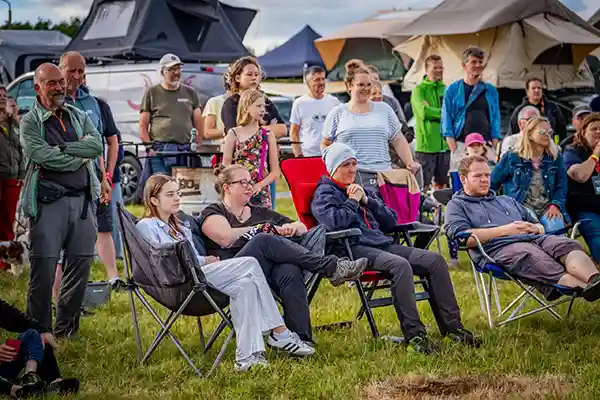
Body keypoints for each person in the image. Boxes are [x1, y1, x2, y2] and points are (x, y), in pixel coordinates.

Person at [311, 142, 480, 354]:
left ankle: (453, 329)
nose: (353, 169)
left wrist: (366, 200)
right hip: (353, 249)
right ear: (333, 168)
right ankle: (415, 336)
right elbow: (336, 223)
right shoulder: (324, 194)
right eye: (346, 165)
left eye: (354, 164)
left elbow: (391, 221)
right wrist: (353, 202)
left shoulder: (359, 189)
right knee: (400, 266)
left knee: (435, 261)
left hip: (381, 244)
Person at [136, 174, 315, 370]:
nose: (177, 198)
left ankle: (248, 358)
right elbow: (164, 261)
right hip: (180, 281)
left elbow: (190, 256)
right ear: (154, 200)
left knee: (245, 285)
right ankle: (279, 331)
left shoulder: (180, 227)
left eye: (177, 193)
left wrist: (205, 259)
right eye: (170, 195)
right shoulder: (147, 226)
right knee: (250, 263)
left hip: (199, 272)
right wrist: (202, 261)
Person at [200, 164, 368, 345]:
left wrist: (290, 229)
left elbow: (301, 226)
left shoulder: (260, 211)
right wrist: (262, 229)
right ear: (227, 187)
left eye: (250, 182)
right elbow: (225, 238)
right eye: (243, 182)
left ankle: (300, 339)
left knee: (289, 270)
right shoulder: (214, 212)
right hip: (233, 274)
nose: (250, 186)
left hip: (265, 273)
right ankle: (331, 267)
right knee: (263, 239)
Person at [20, 63, 103, 338]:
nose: (59, 87)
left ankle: (67, 330)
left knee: (80, 266)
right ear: (37, 87)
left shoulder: (77, 115)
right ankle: (38, 332)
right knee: (43, 271)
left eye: (60, 82)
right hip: (47, 204)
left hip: (82, 203)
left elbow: (96, 144)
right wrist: (77, 157)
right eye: (51, 83)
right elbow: (43, 156)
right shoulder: (29, 122)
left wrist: (65, 148)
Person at [445, 155, 600, 300]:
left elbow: (535, 222)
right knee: (533, 256)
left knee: (566, 244)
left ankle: (595, 279)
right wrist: (507, 230)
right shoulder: (457, 205)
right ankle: (587, 288)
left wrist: (537, 228)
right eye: (478, 176)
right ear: (463, 179)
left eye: (487, 175)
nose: (485, 180)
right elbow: (462, 239)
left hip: (534, 239)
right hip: (498, 249)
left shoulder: (505, 200)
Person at [57, 52, 122, 290]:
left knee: (103, 226)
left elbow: (109, 141)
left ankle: (113, 277)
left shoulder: (95, 103)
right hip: (66, 180)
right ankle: (64, 290)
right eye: (71, 71)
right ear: (60, 69)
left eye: (81, 71)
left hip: (96, 177)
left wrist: (108, 173)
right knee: (67, 235)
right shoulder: (53, 102)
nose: (77, 76)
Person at [321, 60, 420, 192]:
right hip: (353, 178)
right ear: (349, 86)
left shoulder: (384, 109)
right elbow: (325, 144)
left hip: (383, 176)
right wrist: (335, 167)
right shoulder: (338, 113)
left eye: (368, 84)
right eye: (360, 84)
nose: (366, 88)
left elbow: (398, 139)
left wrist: (409, 162)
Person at [221, 57, 286, 209]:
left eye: (257, 74)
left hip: (263, 178)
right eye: (249, 74)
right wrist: (266, 128)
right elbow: (236, 131)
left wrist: (261, 131)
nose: (254, 77)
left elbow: (282, 129)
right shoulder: (231, 104)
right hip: (238, 181)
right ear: (237, 77)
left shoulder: (265, 101)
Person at [492, 117, 568, 233]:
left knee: (556, 233)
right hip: (521, 208)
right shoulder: (512, 157)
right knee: (530, 236)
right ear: (530, 134)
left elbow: (562, 185)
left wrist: (555, 204)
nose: (547, 135)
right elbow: (492, 183)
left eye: (550, 132)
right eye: (542, 132)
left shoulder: (556, 157)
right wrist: (498, 208)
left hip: (548, 207)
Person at [0, 298, 79, 398]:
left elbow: (13, 317)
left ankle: (40, 380)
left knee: (34, 334)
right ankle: (16, 391)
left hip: (5, 361)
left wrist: (42, 330)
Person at [139, 53, 203, 175]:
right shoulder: (152, 93)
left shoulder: (190, 93)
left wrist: (197, 145)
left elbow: (199, 122)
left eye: (178, 68)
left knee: (185, 190)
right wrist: (149, 148)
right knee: (161, 187)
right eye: (172, 69)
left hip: (185, 150)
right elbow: (143, 125)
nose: (176, 72)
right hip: (161, 151)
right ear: (162, 72)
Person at [442, 46, 501, 171]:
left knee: (484, 181)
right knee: (460, 182)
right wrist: (453, 147)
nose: (478, 65)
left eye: (480, 62)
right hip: (461, 144)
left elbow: (495, 117)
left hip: (485, 144)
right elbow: (446, 118)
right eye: (474, 62)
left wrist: (494, 145)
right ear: (464, 65)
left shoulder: (490, 90)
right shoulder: (452, 89)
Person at [222, 89, 280, 208]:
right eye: (258, 106)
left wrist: (259, 185)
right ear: (246, 107)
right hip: (238, 190)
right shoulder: (233, 133)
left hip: (260, 192)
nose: (263, 110)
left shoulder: (267, 135)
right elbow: (226, 166)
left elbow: (275, 171)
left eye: (264, 106)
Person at [563, 113, 600, 263]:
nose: (598, 132)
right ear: (583, 132)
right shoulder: (573, 150)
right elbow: (580, 175)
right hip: (585, 207)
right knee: (596, 230)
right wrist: (596, 155)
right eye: (594, 129)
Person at [411, 54, 450, 191]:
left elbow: (452, 112)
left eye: (441, 67)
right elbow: (423, 112)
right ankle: (422, 211)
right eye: (435, 68)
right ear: (426, 69)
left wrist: (433, 110)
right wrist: (443, 112)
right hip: (425, 147)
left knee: (442, 184)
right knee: (423, 185)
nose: (439, 70)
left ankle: (439, 210)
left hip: (445, 145)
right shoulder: (418, 90)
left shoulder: (446, 89)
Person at [290, 66, 340, 157]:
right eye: (316, 80)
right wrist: (298, 154)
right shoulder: (300, 103)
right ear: (308, 83)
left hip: (330, 154)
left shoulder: (334, 102)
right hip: (308, 154)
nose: (321, 82)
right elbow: (294, 131)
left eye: (323, 79)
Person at [0, 86, 24, 272]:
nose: (2, 98)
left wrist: (21, 175)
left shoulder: (13, 123)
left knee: (8, 223)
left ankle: (7, 263)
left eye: (3, 95)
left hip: (12, 178)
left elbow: (21, 150)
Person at [508, 77, 567, 142]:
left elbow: (562, 131)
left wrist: (557, 146)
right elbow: (512, 132)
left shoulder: (552, 107)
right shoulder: (519, 110)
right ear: (527, 91)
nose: (537, 90)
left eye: (539, 88)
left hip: (548, 147)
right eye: (533, 88)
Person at [203, 73, 232, 141]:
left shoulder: (250, 101)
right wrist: (232, 132)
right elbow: (207, 133)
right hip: (221, 149)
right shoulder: (215, 101)